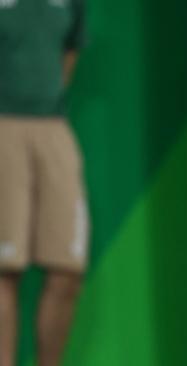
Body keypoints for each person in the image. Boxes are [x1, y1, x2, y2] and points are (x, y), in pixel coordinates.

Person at [0, 1, 88, 365]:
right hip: (3, 123)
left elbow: (69, 51)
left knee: (68, 268)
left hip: (53, 124)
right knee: (5, 267)